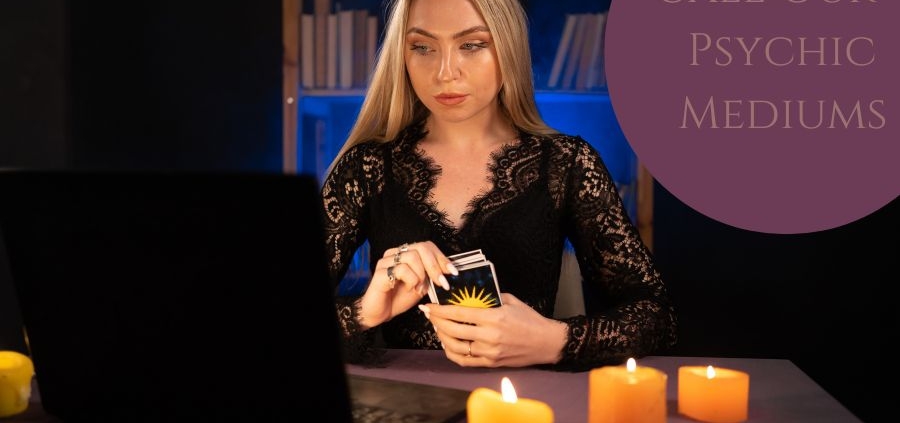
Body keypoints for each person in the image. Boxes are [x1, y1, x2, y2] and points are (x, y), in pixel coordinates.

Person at [321, 0, 677, 371]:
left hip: (529, 403)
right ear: (402, 55)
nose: (445, 73)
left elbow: (658, 318)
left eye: (472, 45)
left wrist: (553, 341)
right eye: (422, 47)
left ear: (507, 46)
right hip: (407, 402)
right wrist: (364, 311)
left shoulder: (566, 163)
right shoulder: (366, 167)